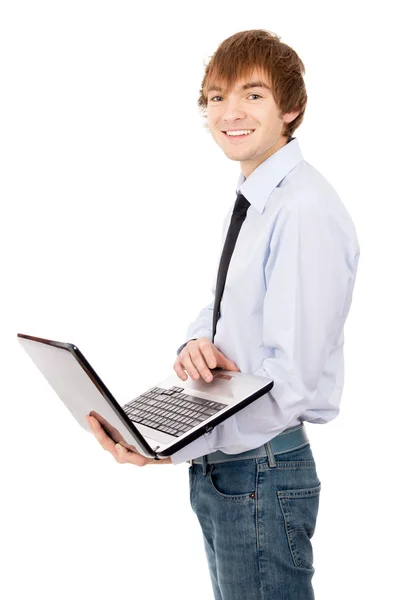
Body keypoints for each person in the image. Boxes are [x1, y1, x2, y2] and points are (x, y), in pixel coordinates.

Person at [87, 29, 360, 600]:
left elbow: (289, 385)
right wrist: (195, 347)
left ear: (291, 108)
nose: (229, 111)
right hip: (233, 473)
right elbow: (228, 310)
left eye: (252, 94)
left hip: (260, 471)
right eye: (216, 97)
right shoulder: (260, 197)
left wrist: (170, 442)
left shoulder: (303, 209)